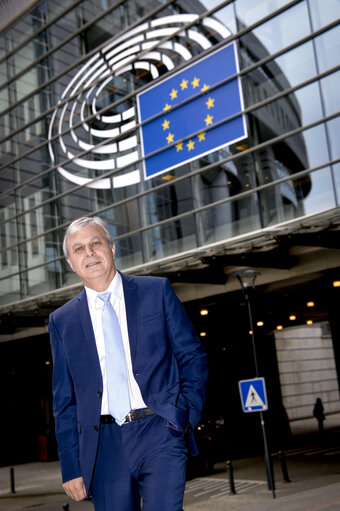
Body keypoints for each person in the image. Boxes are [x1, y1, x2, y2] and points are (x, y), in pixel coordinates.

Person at [49, 216, 209, 511]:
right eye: (79, 249)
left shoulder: (155, 291)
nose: (89, 253)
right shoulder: (62, 321)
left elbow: (192, 356)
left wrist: (182, 414)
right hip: (103, 445)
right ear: (71, 263)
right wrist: (71, 465)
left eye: (96, 243)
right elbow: (64, 399)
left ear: (111, 248)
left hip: (159, 429)